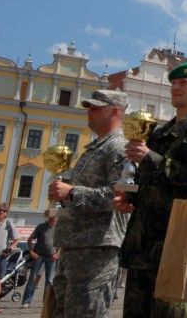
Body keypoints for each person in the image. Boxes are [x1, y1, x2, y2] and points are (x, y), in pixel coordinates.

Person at [113, 62, 187, 318]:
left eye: (184, 83)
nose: (176, 88)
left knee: (171, 312)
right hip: (143, 242)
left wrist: (150, 158)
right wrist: (130, 196)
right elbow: (149, 180)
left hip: (175, 241)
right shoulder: (159, 134)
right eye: (174, 83)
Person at [49, 89, 129, 318]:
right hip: (75, 246)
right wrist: (63, 191)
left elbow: (120, 196)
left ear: (115, 111)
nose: (89, 112)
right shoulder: (96, 148)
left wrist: (73, 192)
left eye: (95, 107)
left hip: (96, 249)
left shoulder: (117, 148)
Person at [21, 215, 58, 308]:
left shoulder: (60, 227)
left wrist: (57, 254)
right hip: (39, 256)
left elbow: (63, 243)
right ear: (48, 218)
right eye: (50, 218)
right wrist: (31, 251)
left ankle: (46, 303)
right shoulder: (41, 226)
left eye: (54, 218)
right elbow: (30, 239)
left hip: (52, 257)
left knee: (49, 281)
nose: (52, 220)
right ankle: (26, 301)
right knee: (33, 278)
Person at [0, 202, 19, 314]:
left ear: (6, 213)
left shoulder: (9, 224)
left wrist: (10, 248)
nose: (1, 212)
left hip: (1, 257)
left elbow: (16, 240)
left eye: (4, 211)